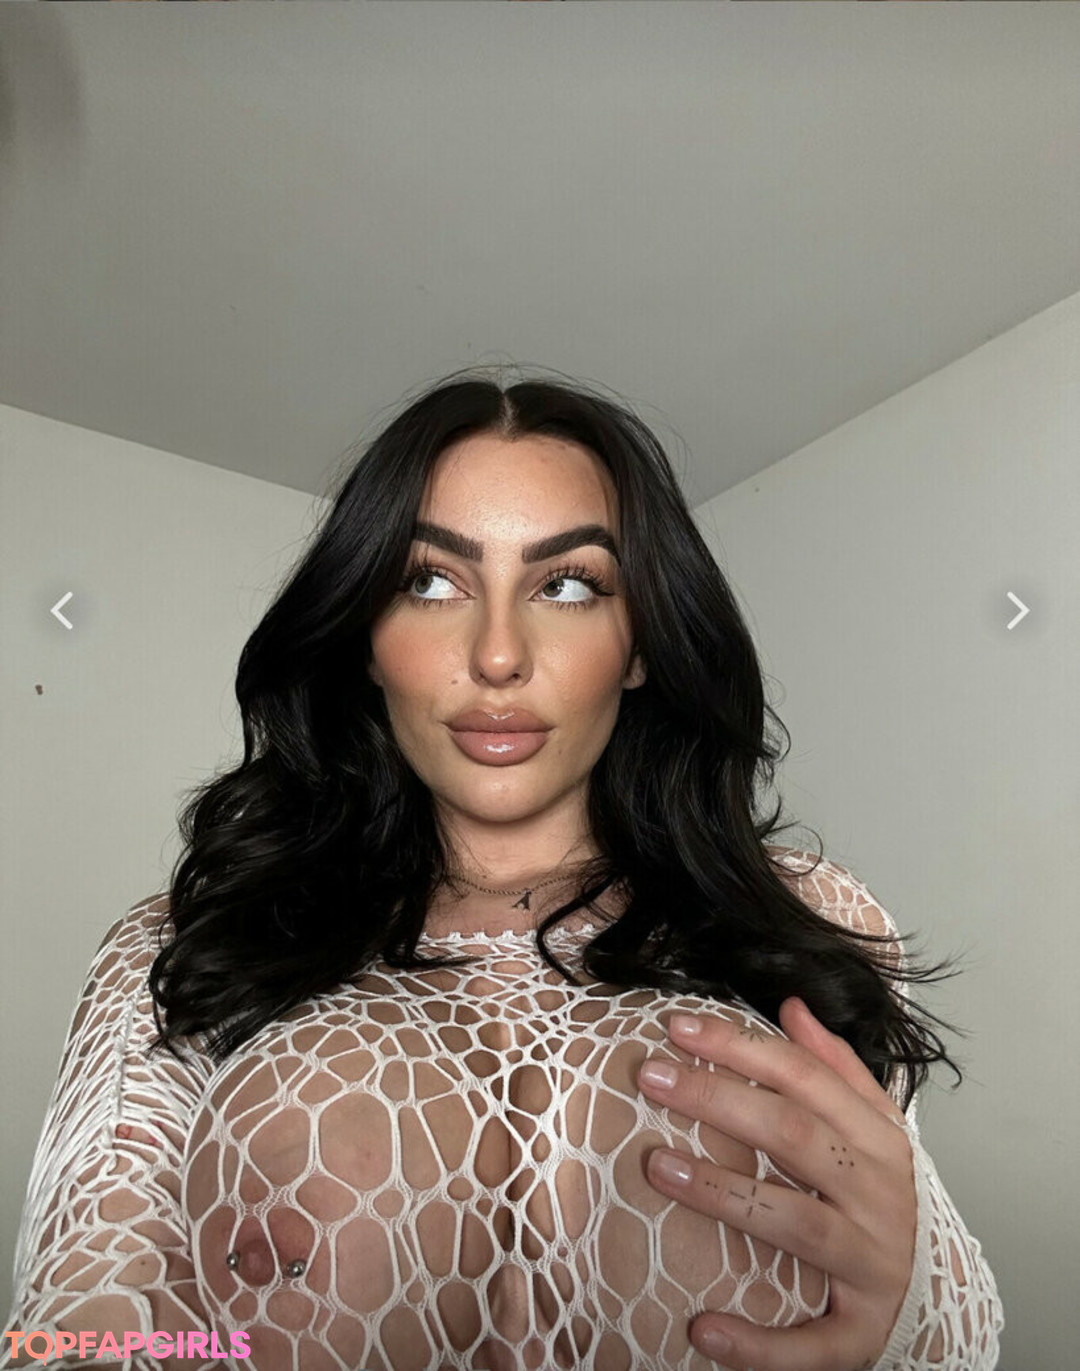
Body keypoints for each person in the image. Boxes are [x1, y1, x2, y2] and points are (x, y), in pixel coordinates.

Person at [2, 368, 1003, 1371]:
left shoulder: (803, 915)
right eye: (429, 581)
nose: (496, 656)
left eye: (567, 585)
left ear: (640, 643)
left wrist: (910, 1308)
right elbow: (68, 1334)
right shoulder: (190, 944)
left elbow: (956, 1337)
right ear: (366, 636)